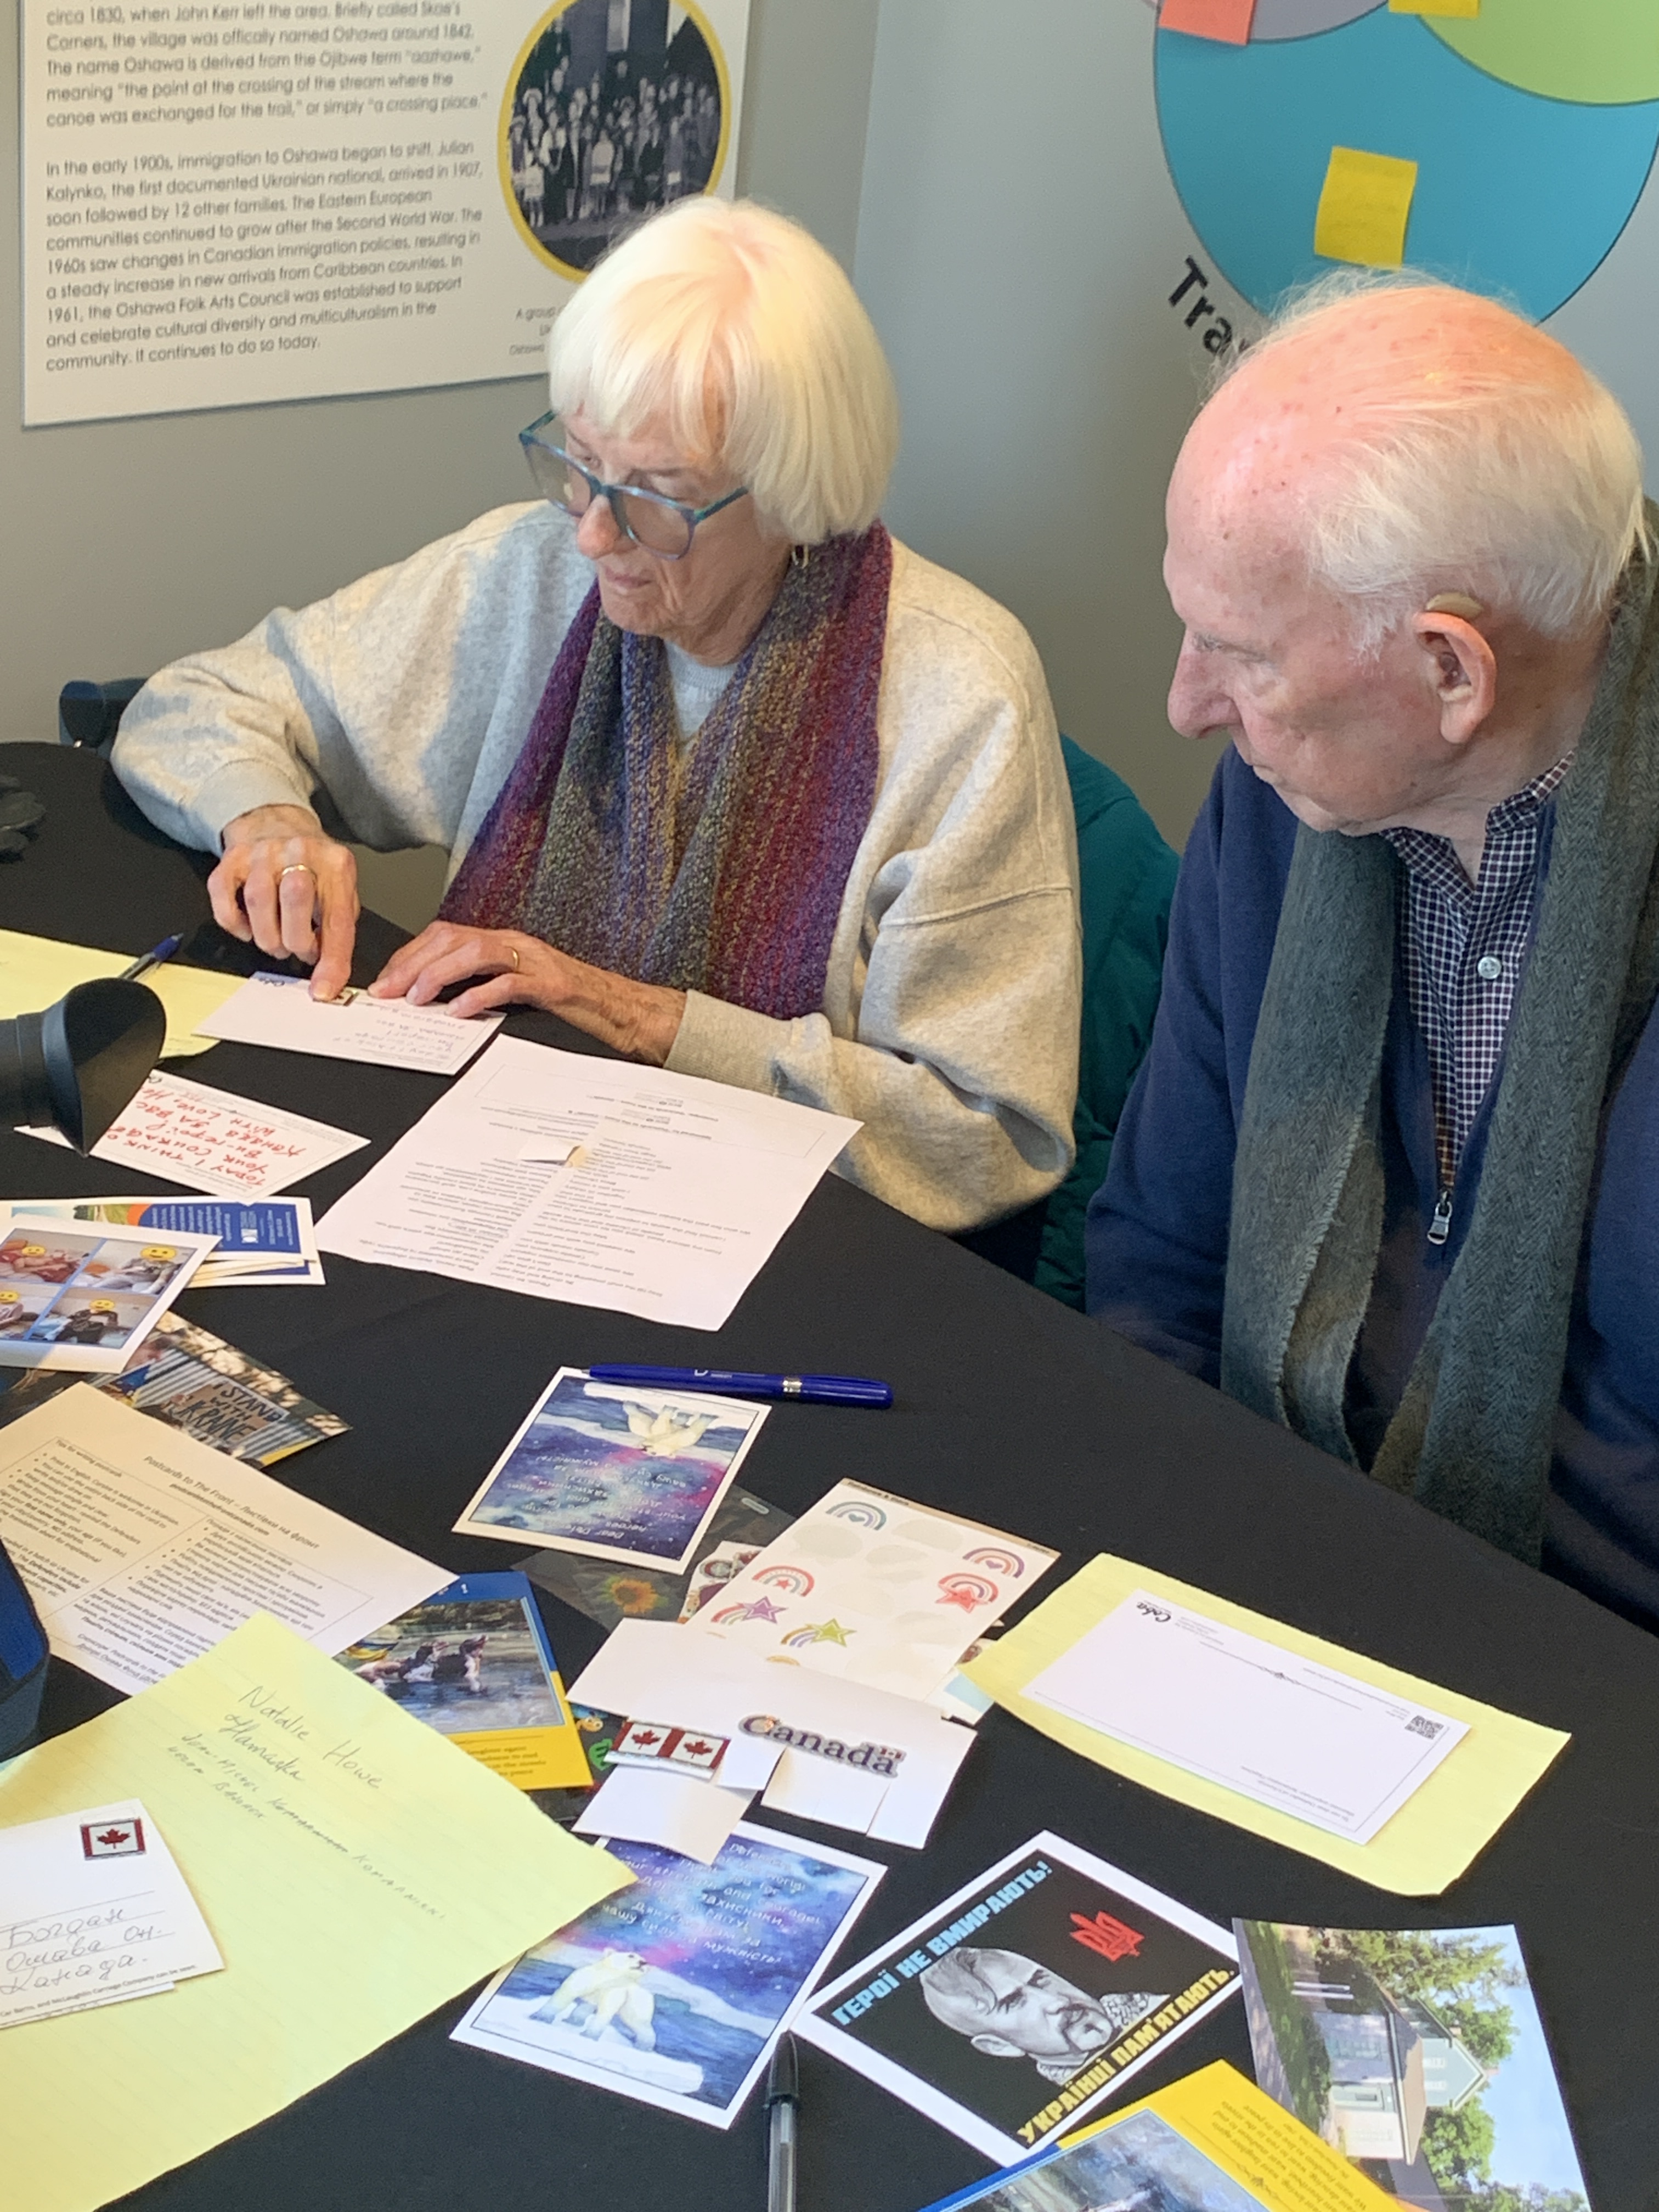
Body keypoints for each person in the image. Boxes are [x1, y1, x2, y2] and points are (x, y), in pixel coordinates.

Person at [113, 198, 1082, 1235]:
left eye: (657, 494)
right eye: (579, 465)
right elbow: (195, 703)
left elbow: (987, 1135)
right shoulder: (528, 576)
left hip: (791, 1245)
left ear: (792, 493)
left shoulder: (958, 693)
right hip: (492, 1188)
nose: (590, 536)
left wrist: (633, 1015)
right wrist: (267, 820)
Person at [1087, 274, 1659, 1627]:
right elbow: (1160, 1254)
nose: (1185, 705)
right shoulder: (1283, 801)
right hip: (1260, 1550)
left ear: (1453, 672)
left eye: (1240, 653)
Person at [917, 1946, 1162, 2085]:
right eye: (1013, 2002)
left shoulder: (1154, 2004)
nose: (1058, 2002)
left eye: (1040, 1980)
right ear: (998, 2046)